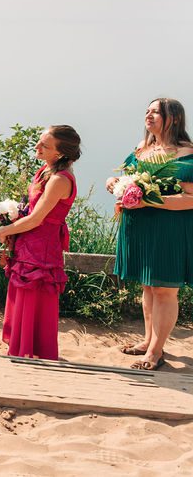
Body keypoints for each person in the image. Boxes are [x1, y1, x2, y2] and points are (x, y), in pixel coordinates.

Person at [107, 98, 193, 371]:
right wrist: (115, 184)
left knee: (164, 289)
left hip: (170, 228)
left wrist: (151, 202)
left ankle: (156, 352)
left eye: (156, 111)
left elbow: (191, 198)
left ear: (175, 118)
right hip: (140, 226)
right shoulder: (142, 149)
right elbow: (125, 175)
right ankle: (147, 340)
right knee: (148, 285)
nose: (149, 115)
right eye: (147, 111)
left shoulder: (188, 153)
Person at [0, 125, 81, 361]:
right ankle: (21, 347)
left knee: (33, 294)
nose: (37, 147)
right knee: (22, 293)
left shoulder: (60, 180)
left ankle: (31, 350)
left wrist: (6, 229)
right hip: (28, 241)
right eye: (39, 142)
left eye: (45, 145)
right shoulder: (46, 170)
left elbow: (37, 218)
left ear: (60, 153)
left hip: (41, 247)